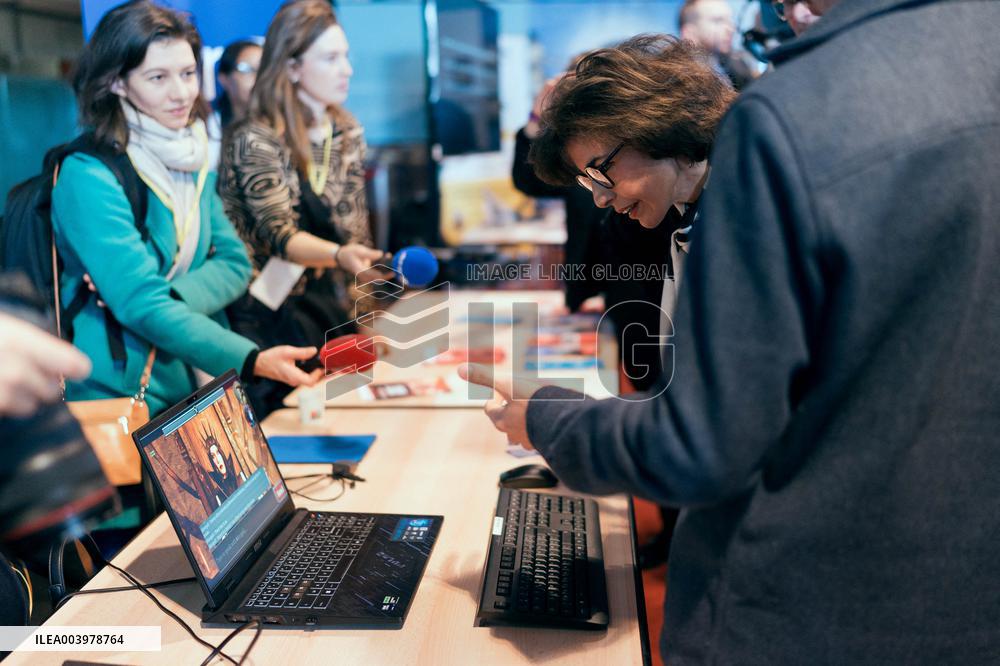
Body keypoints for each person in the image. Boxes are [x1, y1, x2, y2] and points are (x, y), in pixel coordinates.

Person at [464, 0, 1000, 662]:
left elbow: (698, 444)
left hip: (793, 604)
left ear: (651, 123)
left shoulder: (775, 133)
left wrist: (544, 415)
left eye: (601, 173)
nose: (600, 198)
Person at [52, 0, 321, 418]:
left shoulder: (190, 158)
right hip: (122, 394)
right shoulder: (88, 174)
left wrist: (171, 298)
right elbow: (141, 303)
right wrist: (251, 358)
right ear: (118, 83)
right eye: (157, 77)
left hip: (192, 381)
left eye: (188, 73)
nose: (181, 93)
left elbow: (235, 262)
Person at [219, 0, 382, 415]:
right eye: (330, 58)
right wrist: (340, 255)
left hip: (331, 309)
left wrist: (364, 322)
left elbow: (355, 230)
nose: (346, 69)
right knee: (282, 435)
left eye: (346, 56)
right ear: (291, 67)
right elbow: (280, 235)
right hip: (268, 317)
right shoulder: (255, 138)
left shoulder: (345, 130)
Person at [207, 39, 263, 167]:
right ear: (224, 78)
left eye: (263, 69)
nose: (259, 77)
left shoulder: (282, 125)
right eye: (247, 69)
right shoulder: (210, 127)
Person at [678, 0, 757, 90]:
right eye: (718, 21)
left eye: (730, 20)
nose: (731, 29)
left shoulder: (737, 68)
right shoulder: (676, 81)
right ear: (689, 33)